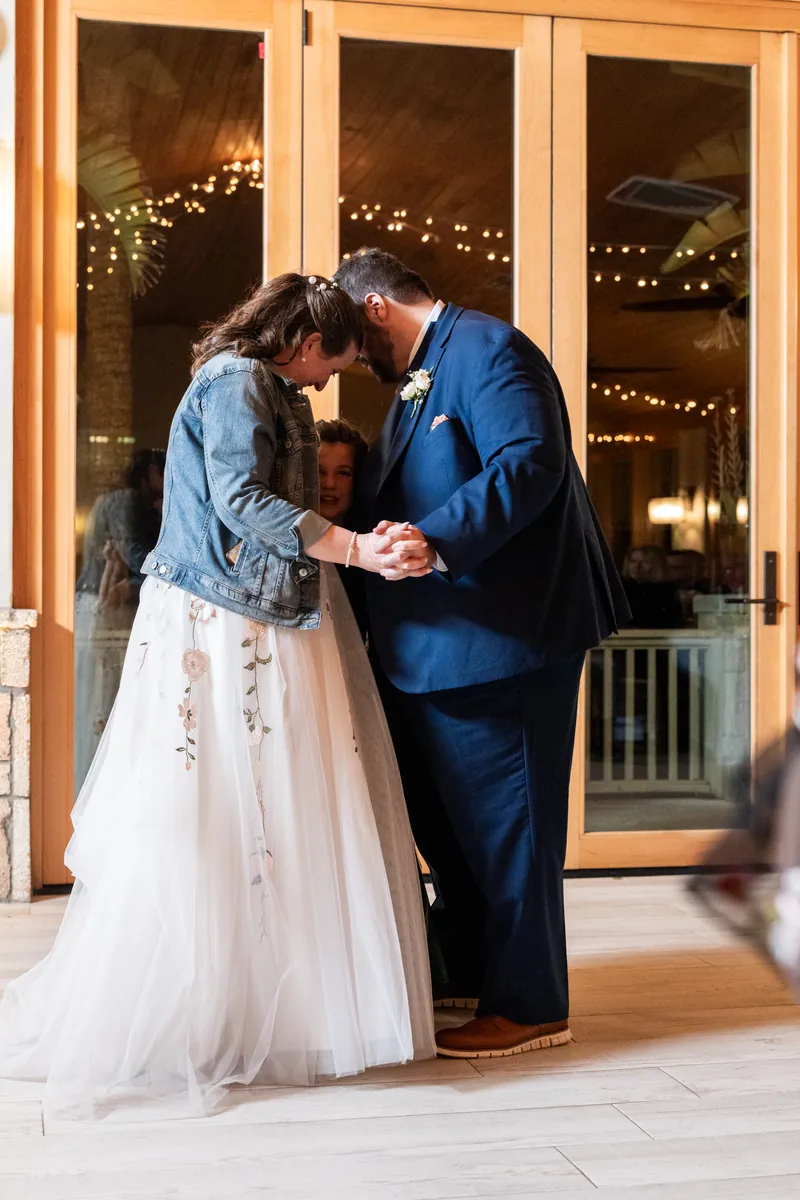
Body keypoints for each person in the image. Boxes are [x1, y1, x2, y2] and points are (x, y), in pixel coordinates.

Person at [0, 273, 436, 1120]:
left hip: (263, 607)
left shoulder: (262, 382)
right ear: (305, 344)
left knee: (270, 806)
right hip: (227, 618)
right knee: (229, 805)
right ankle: (222, 1014)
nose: (322, 385)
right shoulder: (238, 381)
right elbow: (241, 500)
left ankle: (279, 1008)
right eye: (327, 368)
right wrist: (353, 548)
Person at [334, 248, 631, 1059]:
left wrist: (434, 538)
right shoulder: (426, 373)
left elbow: (528, 464)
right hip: (440, 648)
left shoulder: (489, 349)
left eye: (357, 351)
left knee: (511, 828)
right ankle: (468, 971)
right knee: (454, 826)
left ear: (374, 309)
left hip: (505, 639)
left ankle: (532, 1004)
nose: (361, 368)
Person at [73, 448, 166, 795]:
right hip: (107, 608)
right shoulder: (126, 502)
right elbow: (137, 556)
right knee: (107, 703)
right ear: (148, 470)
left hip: (99, 603)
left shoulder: (117, 502)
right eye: (163, 467)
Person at [621, 544, 684, 629]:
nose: (637, 566)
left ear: (657, 565)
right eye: (633, 561)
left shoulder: (667, 593)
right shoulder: (620, 590)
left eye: (645, 562)